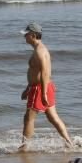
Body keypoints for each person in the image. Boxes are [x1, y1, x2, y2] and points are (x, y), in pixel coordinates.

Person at [19, 22, 72, 150]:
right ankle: (69, 143)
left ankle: (24, 147)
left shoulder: (39, 51)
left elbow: (44, 73)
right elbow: (36, 72)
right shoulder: (40, 49)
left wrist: (42, 94)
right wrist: (27, 88)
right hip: (43, 86)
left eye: (26, 35)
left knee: (28, 118)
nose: (24, 37)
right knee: (52, 117)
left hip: (39, 88)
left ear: (32, 35)